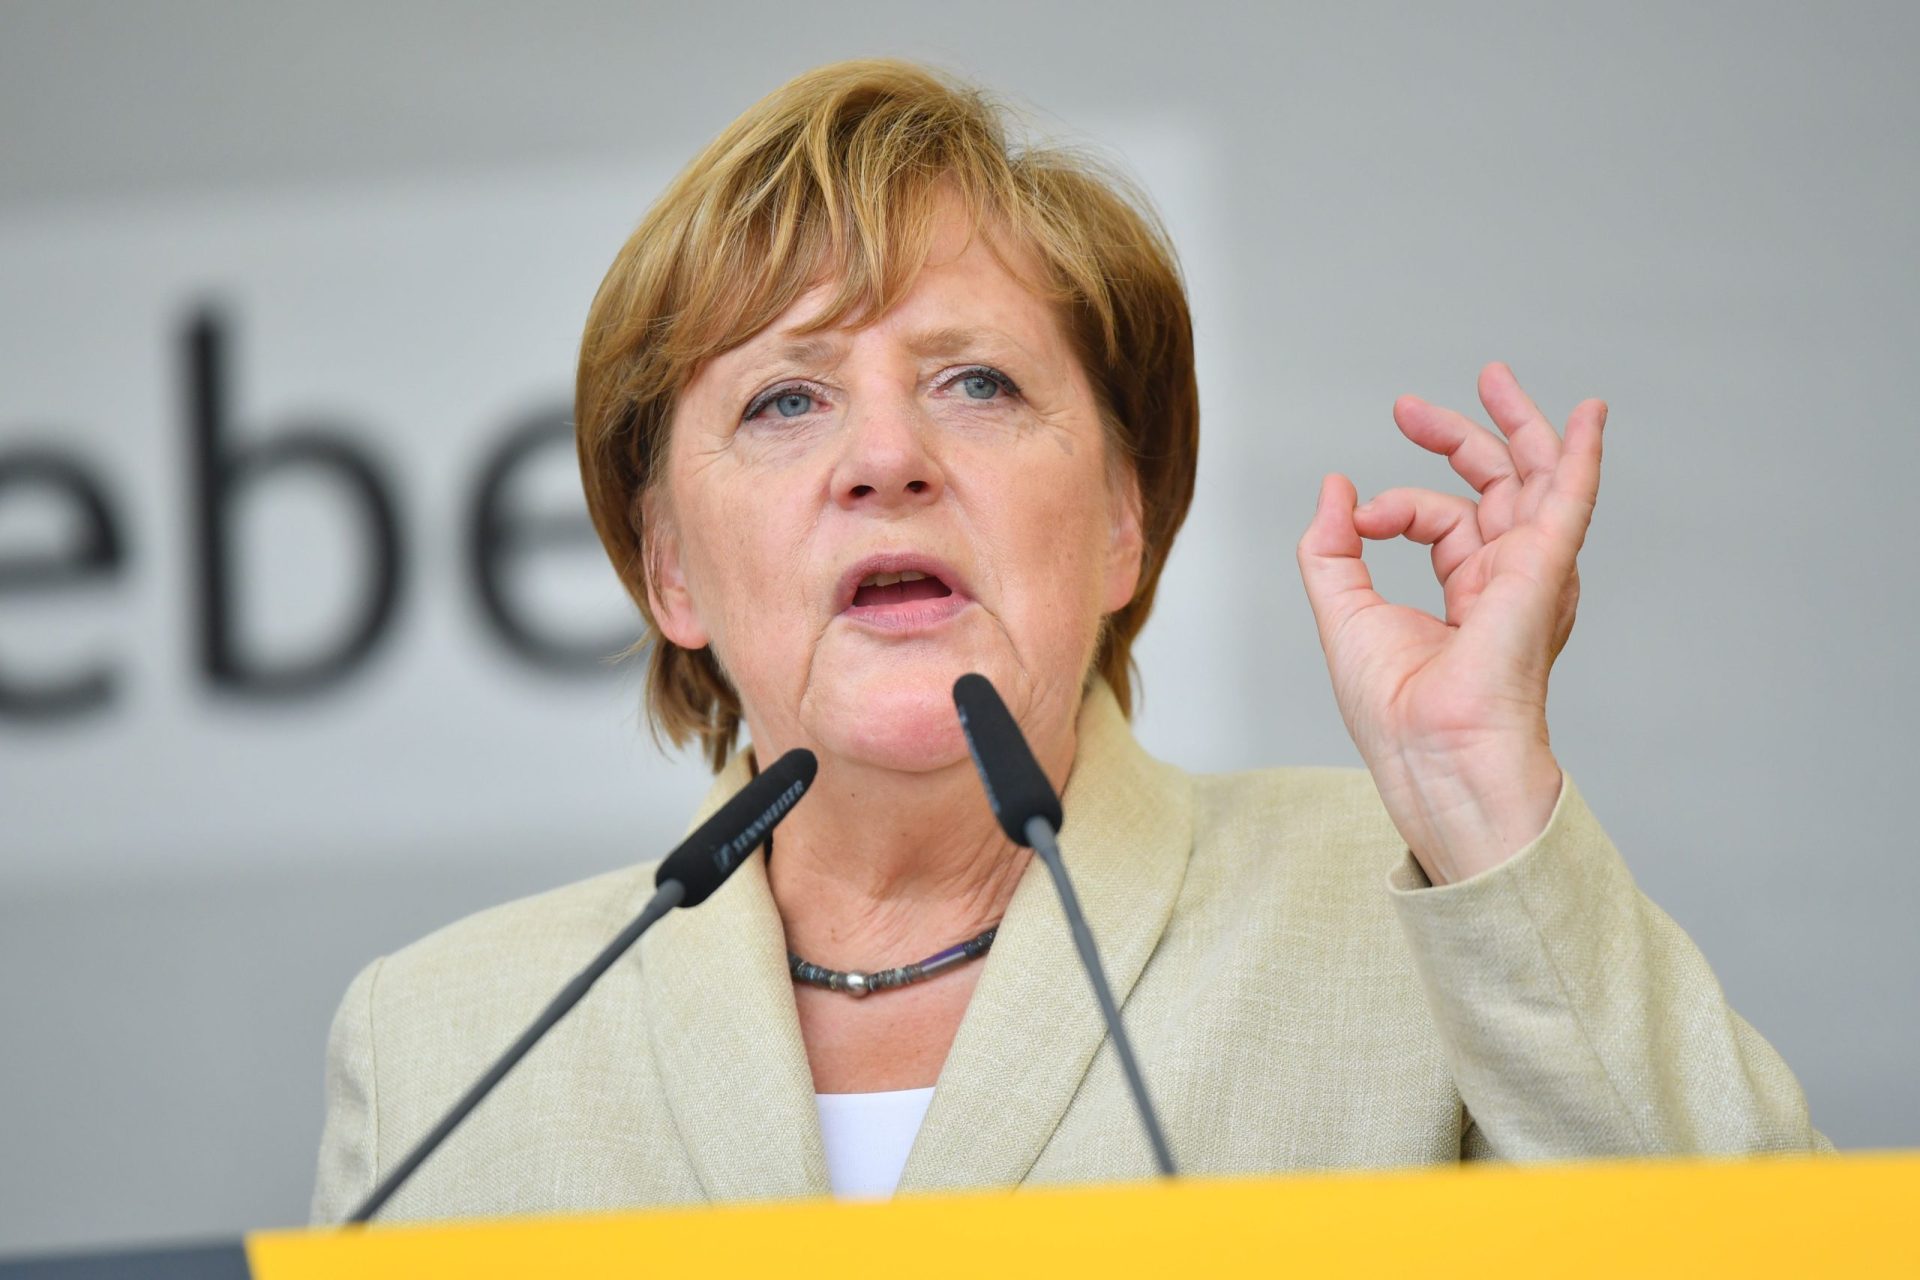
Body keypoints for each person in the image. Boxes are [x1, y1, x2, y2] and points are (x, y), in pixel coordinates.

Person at [311, 59, 1822, 1222]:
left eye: (974, 383)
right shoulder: (447, 1046)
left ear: (1121, 519)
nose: (885, 455)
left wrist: (1479, 791)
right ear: (669, 573)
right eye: (785, 399)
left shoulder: (1407, 906)